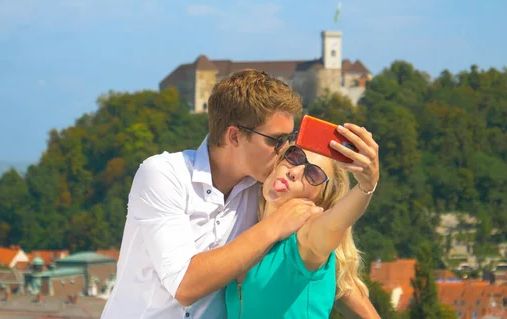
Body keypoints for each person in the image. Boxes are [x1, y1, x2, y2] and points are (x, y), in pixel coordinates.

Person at [100, 69, 378, 319]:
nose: (284, 151)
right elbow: (185, 285)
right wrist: (273, 227)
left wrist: (366, 184)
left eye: (288, 141)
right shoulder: (164, 174)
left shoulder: (267, 188)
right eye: (276, 140)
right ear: (234, 137)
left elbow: (324, 259)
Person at [225, 139, 380, 318]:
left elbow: (335, 223)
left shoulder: (305, 240)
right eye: (294, 156)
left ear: (321, 199)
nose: (295, 172)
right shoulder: (246, 228)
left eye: (313, 175)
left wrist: (366, 188)